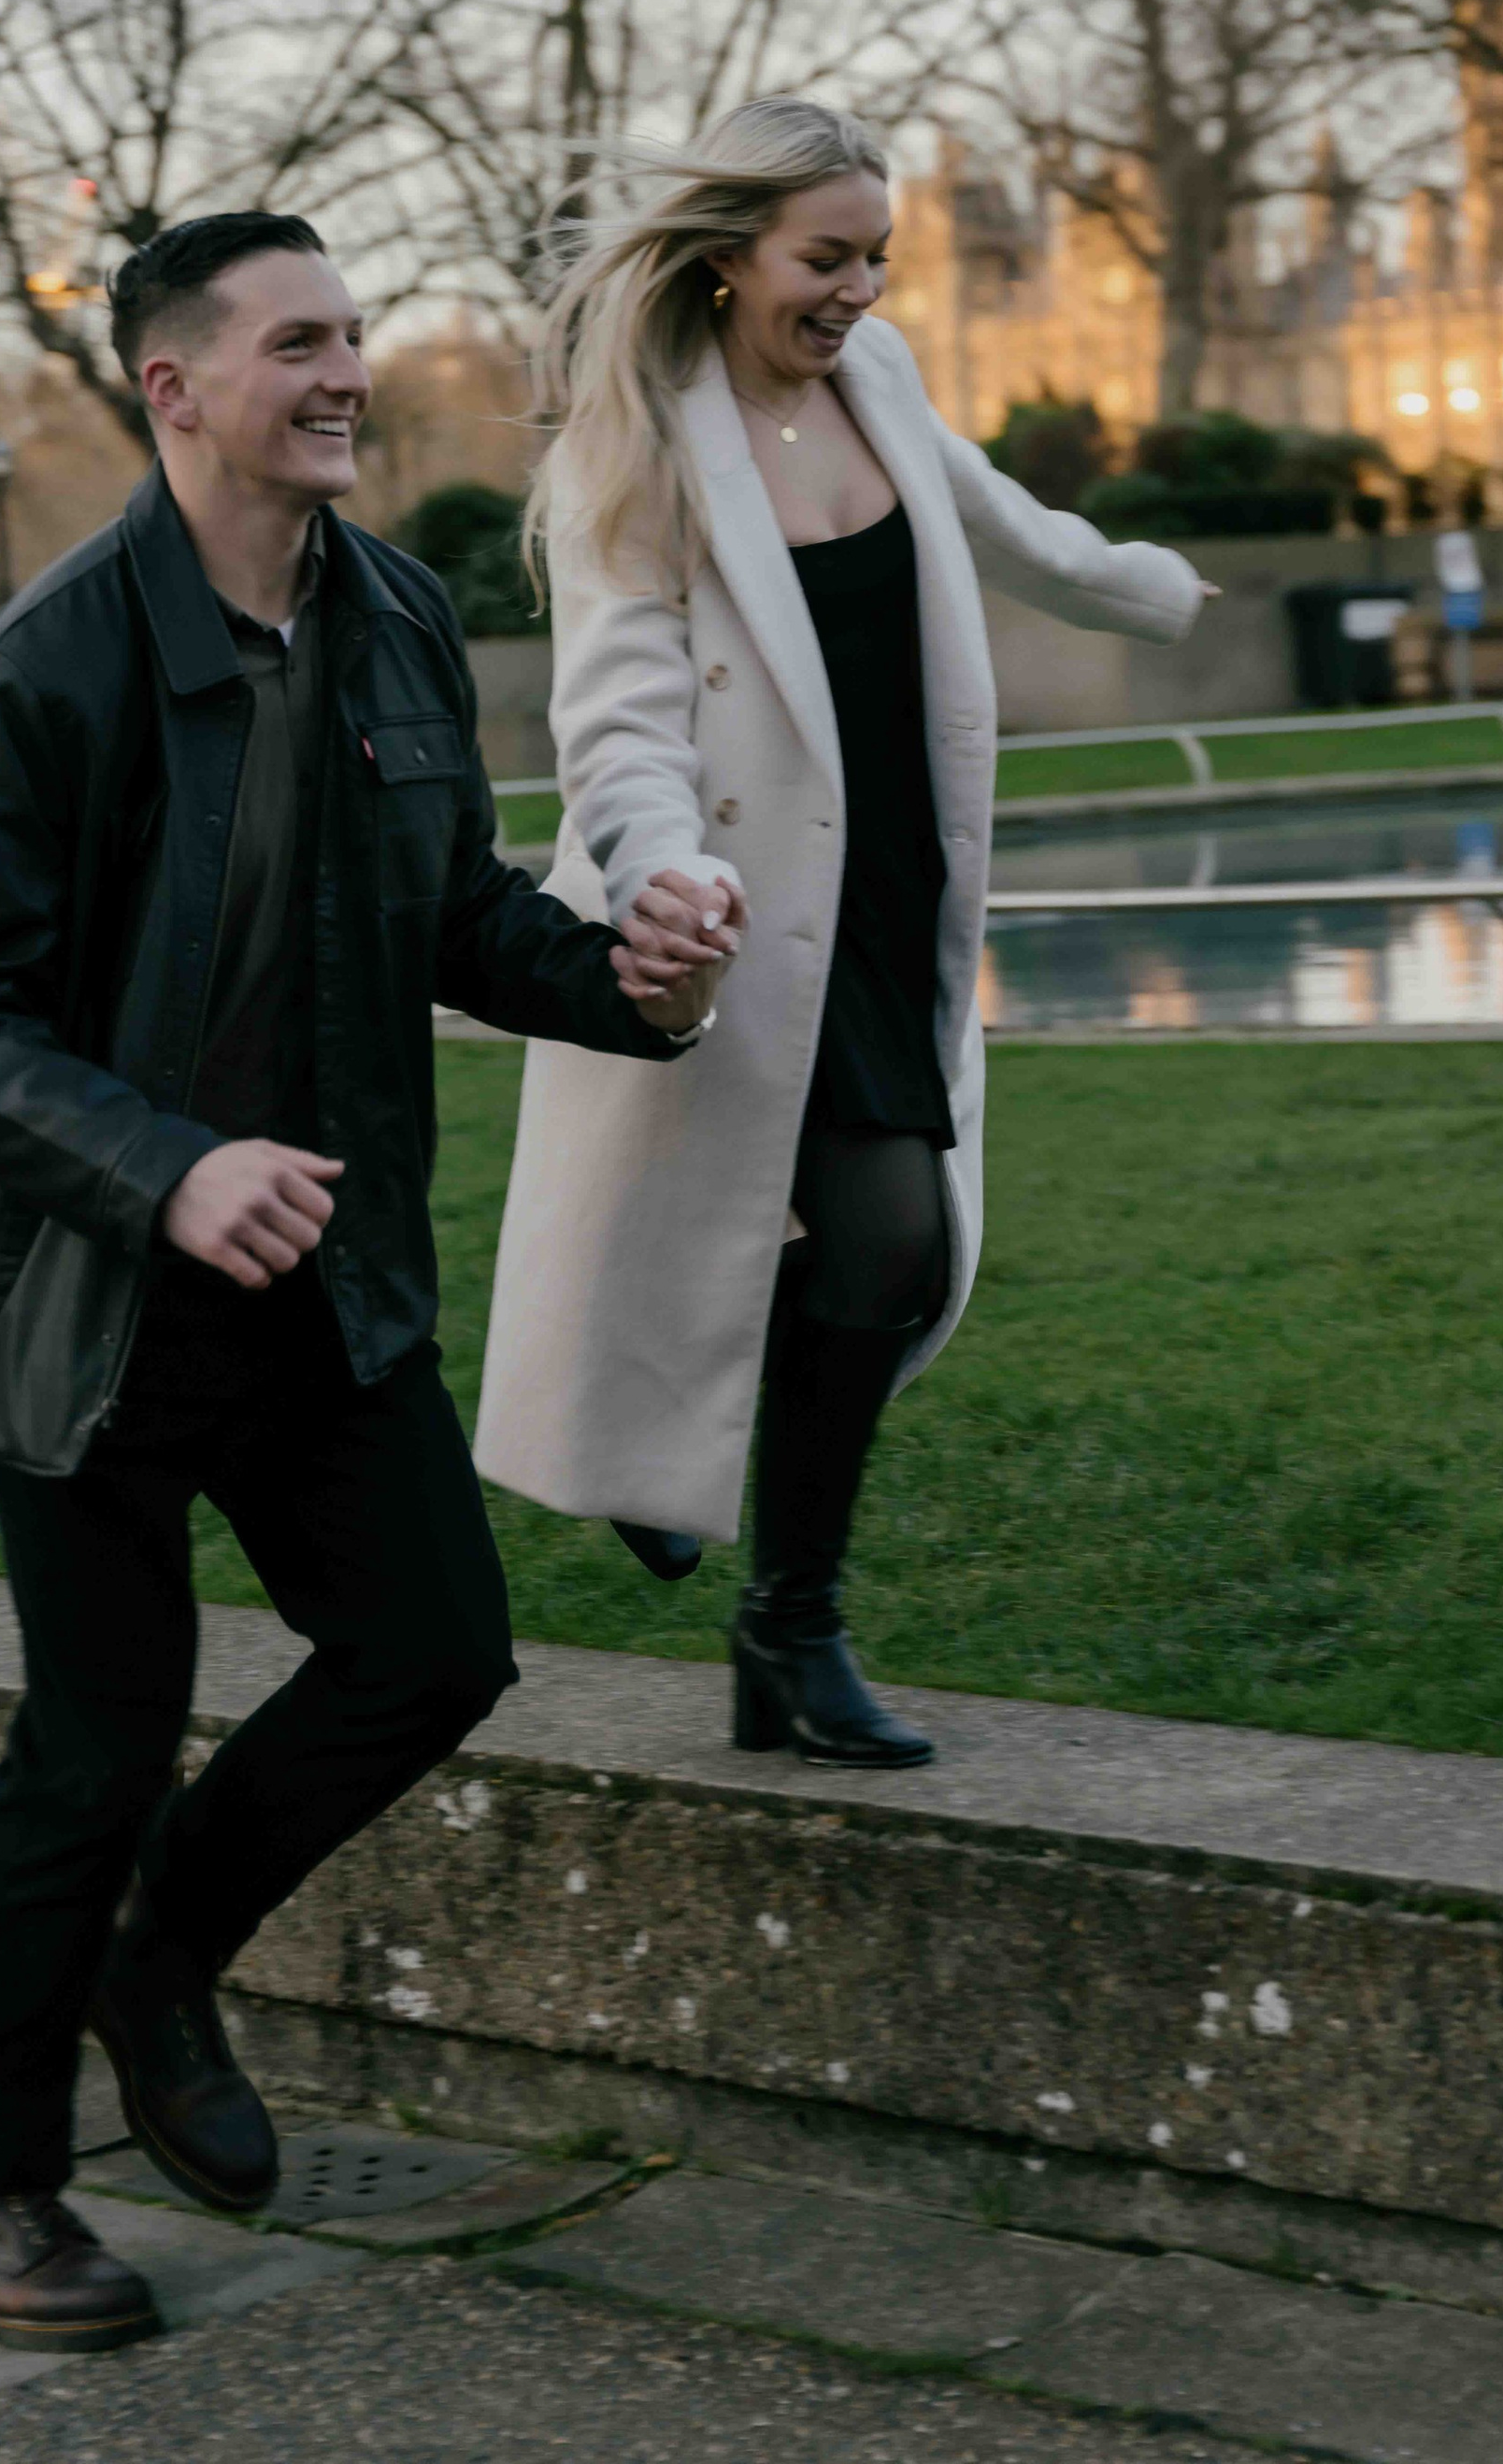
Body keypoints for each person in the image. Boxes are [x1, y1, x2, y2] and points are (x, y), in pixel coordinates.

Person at [0, 213, 713, 2360]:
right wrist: (166, 1169)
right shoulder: (46, 669)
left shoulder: (396, 616)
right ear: (173, 387)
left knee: (432, 1649)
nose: (345, 372)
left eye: (352, 334)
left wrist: (620, 977)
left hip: (323, 1280)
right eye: (296, 343)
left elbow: (454, 915)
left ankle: (160, 1959)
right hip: (88, 1304)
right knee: (93, 1742)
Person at [474, 100, 1209, 1768]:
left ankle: (688, 1479)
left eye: (879, 255)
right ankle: (787, 1627)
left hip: (888, 892)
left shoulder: (879, 378)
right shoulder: (636, 445)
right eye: (828, 257)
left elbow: (1002, 519)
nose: (861, 290)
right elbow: (619, 724)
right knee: (886, 1240)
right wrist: (662, 873)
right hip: (734, 914)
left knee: (896, 1250)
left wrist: (1149, 588)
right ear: (729, 256)